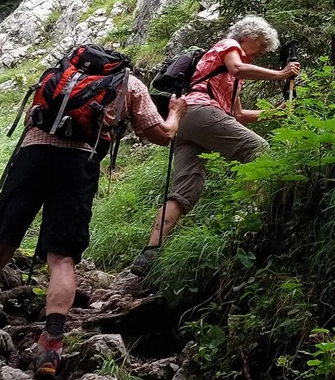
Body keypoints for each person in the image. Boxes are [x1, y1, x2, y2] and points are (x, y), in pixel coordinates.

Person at [0, 63, 187, 380]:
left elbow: (29, 119)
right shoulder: (127, 83)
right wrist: (176, 112)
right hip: (76, 162)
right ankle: (51, 346)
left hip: (30, 156)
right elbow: (161, 135)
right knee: (61, 258)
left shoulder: (58, 75)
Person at [129, 15, 300, 279]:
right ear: (250, 36)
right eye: (262, 45)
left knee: (186, 190)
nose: (261, 52)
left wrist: (273, 114)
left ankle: (150, 252)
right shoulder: (229, 46)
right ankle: (251, 217)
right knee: (259, 148)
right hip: (200, 111)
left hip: (187, 120)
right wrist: (280, 74)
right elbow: (238, 69)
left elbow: (238, 114)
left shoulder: (229, 72)